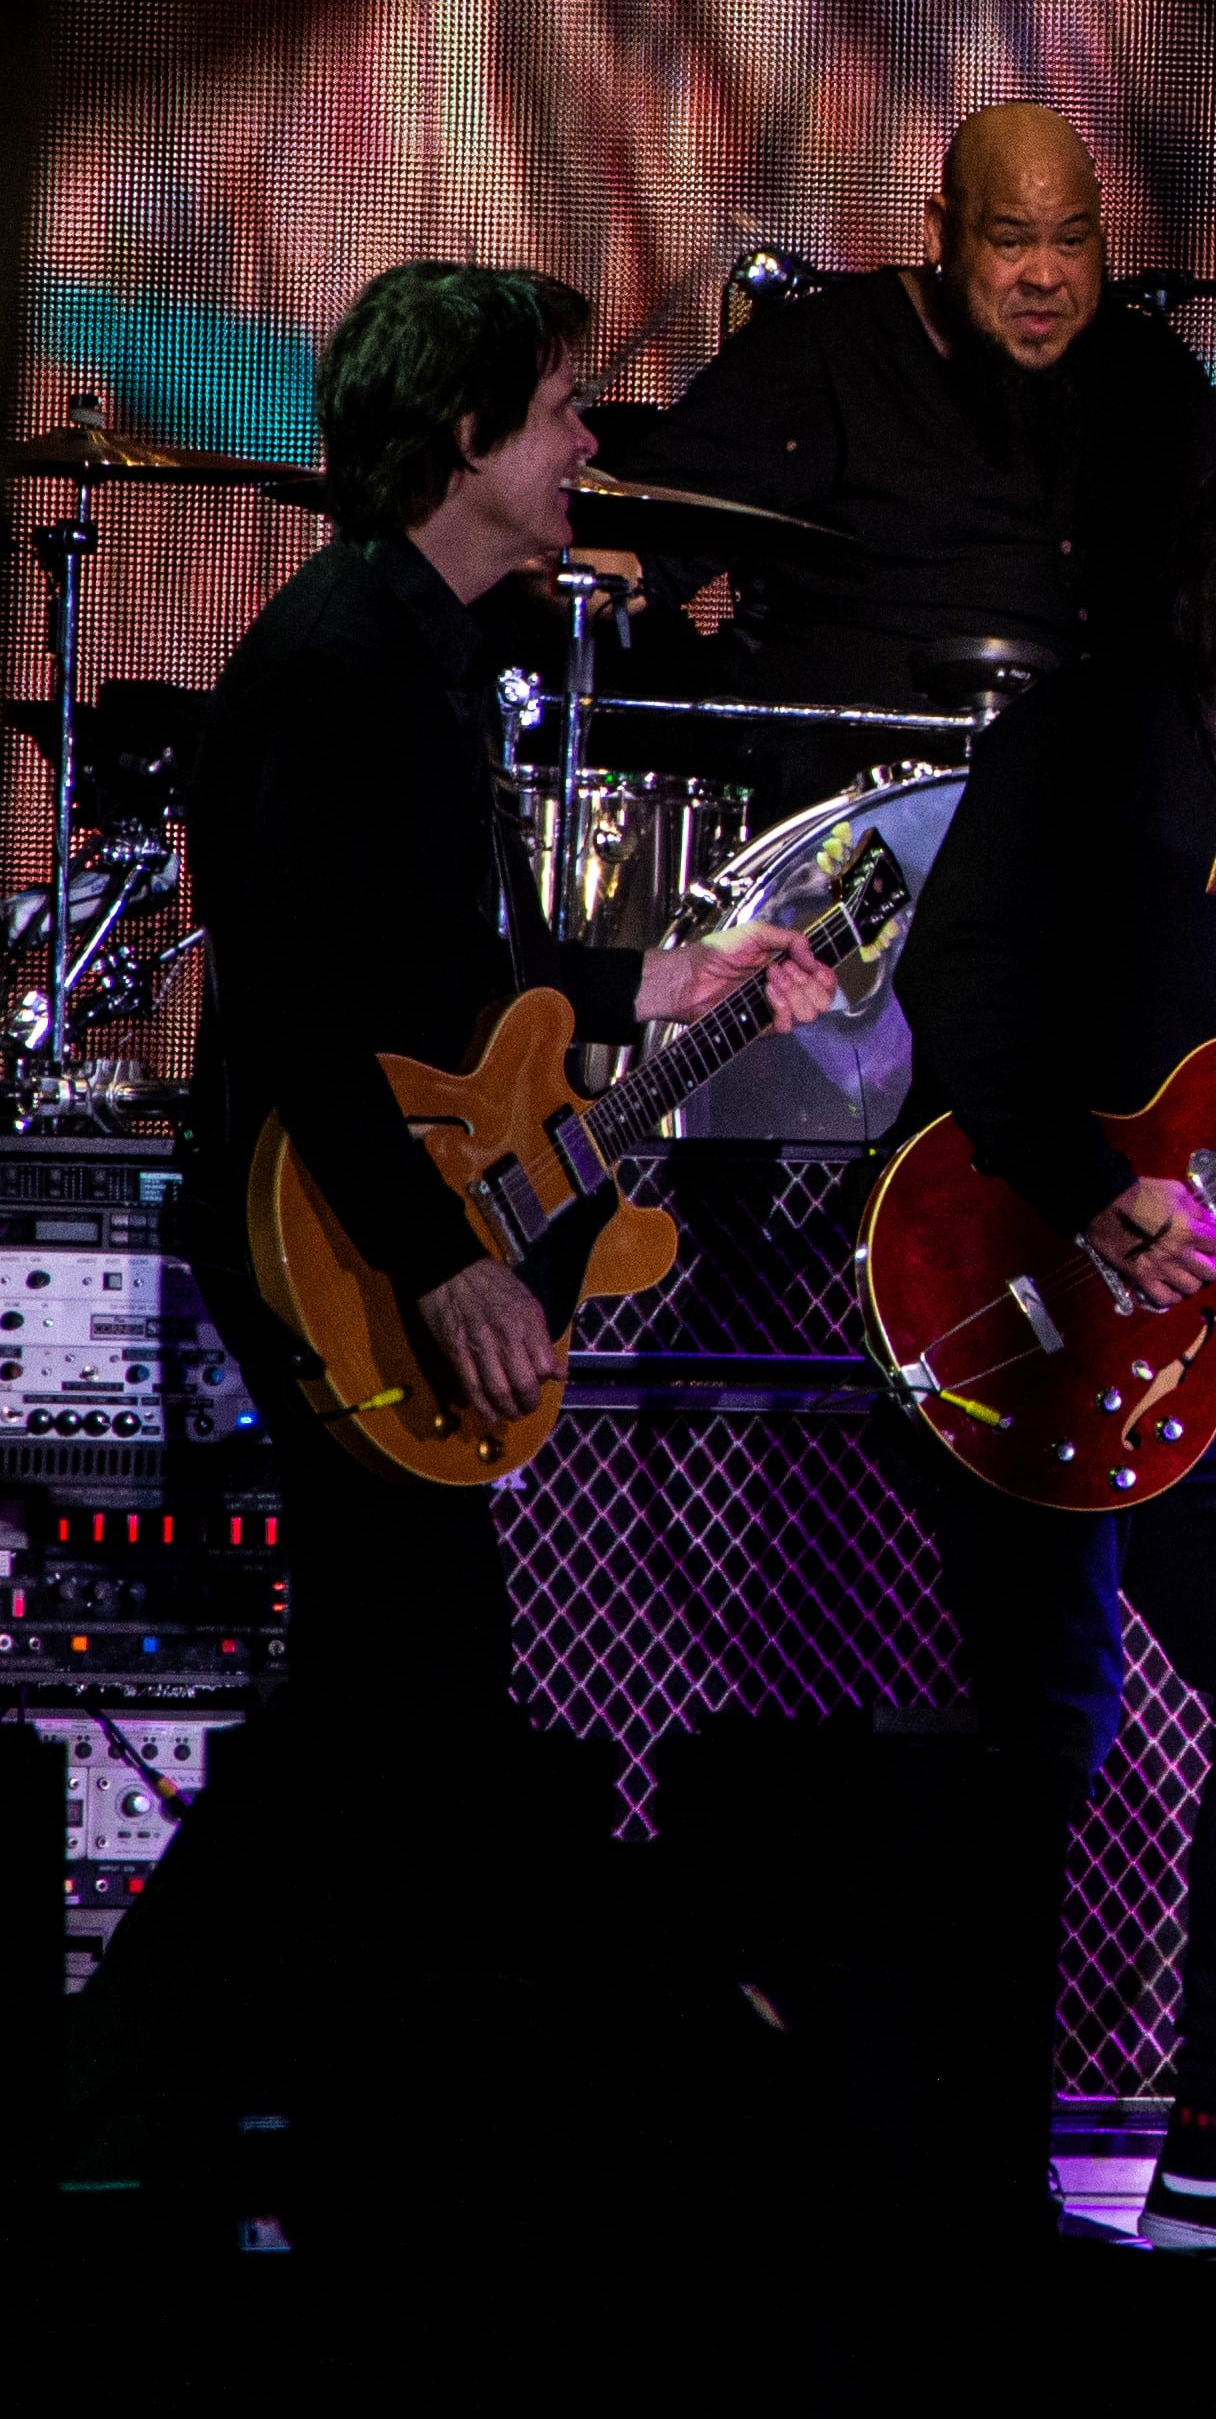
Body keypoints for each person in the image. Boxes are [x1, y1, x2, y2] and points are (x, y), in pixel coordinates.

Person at [885, 430, 1216, 2254]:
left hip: (1172, 1337)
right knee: (1051, 1730)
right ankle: (978, 2174)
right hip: (1012, 1281)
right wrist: (1093, 1192)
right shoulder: (1103, 729)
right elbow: (957, 986)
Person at [183, 258, 839, 1734]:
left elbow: (454, 965)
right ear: (468, 437)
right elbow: (300, 1008)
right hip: (345, 1242)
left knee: (408, 1686)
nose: (591, 446)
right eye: (562, 411)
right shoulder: (338, 665)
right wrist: (444, 1261)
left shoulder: (426, 651)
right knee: (415, 1686)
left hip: (388, 1221)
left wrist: (667, 976)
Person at [607, 101, 1216, 804]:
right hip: (846, 832)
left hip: (1098, 834)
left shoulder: (1147, 373)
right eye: (1011, 240)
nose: (1044, 275)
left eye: (1071, 242)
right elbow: (624, 555)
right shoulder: (819, 354)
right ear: (943, 232)